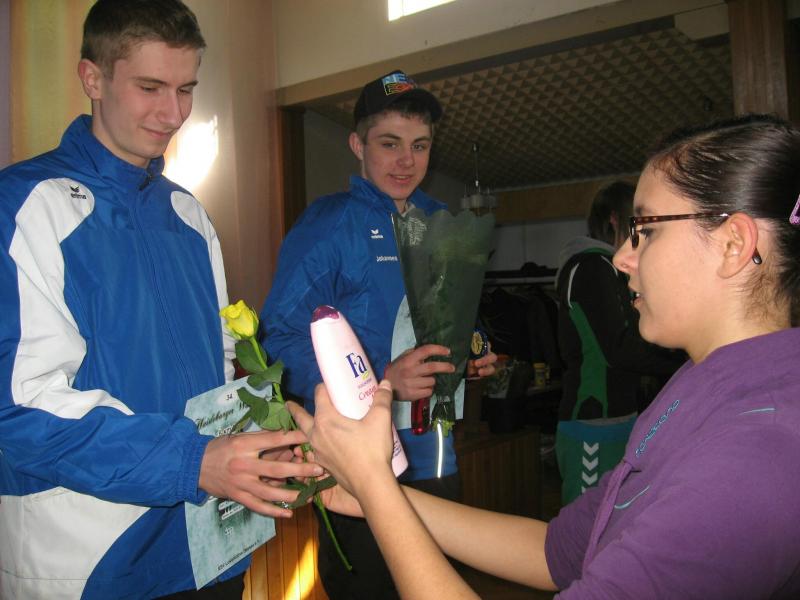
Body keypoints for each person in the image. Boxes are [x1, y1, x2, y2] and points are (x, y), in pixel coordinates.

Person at [289, 114, 800, 598]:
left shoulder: (755, 452)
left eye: (645, 229)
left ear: (733, 244)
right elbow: (555, 551)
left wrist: (376, 487)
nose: (622, 256)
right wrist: (370, 493)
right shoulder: (699, 386)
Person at [0, 1, 321, 598]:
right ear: (93, 78)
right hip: (93, 563)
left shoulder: (188, 215)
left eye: (186, 89)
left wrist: (271, 429)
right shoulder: (26, 206)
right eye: (150, 87)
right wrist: (193, 462)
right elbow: (17, 407)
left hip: (208, 547)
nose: (173, 114)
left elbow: (221, 368)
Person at [260, 70, 496, 598]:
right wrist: (383, 379)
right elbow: (279, 341)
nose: (406, 161)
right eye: (389, 144)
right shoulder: (328, 225)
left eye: (420, 145)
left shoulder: (441, 222)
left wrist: (475, 349)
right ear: (357, 145)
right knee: (367, 587)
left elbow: (458, 315)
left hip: (436, 453)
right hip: (357, 463)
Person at [555, 181, 683, 504]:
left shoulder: (611, 270)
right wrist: (686, 357)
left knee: (616, 520)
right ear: (615, 219)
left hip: (620, 417)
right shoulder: (591, 267)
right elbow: (620, 349)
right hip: (593, 421)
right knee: (585, 527)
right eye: (636, 222)